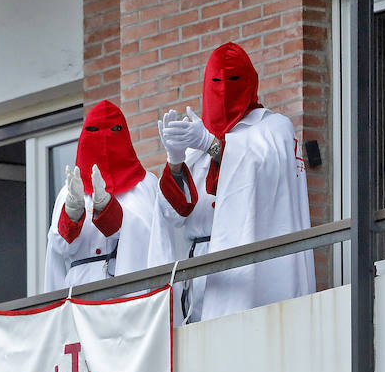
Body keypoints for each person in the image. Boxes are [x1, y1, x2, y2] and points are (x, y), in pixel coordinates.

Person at [157, 41, 315, 323]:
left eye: (233, 80)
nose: (224, 89)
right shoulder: (195, 135)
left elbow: (255, 177)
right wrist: (176, 161)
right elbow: (173, 217)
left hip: (253, 274)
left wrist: (213, 146)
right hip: (201, 272)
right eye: (216, 81)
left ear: (251, 83)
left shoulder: (272, 128)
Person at [44, 99, 172, 293]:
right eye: (94, 131)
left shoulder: (146, 185)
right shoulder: (69, 191)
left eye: (114, 130)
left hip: (130, 293)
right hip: (81, 295)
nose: (104, 139)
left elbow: (155, 238)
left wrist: (110, 213)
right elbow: (60, 249)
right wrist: (73, 213)